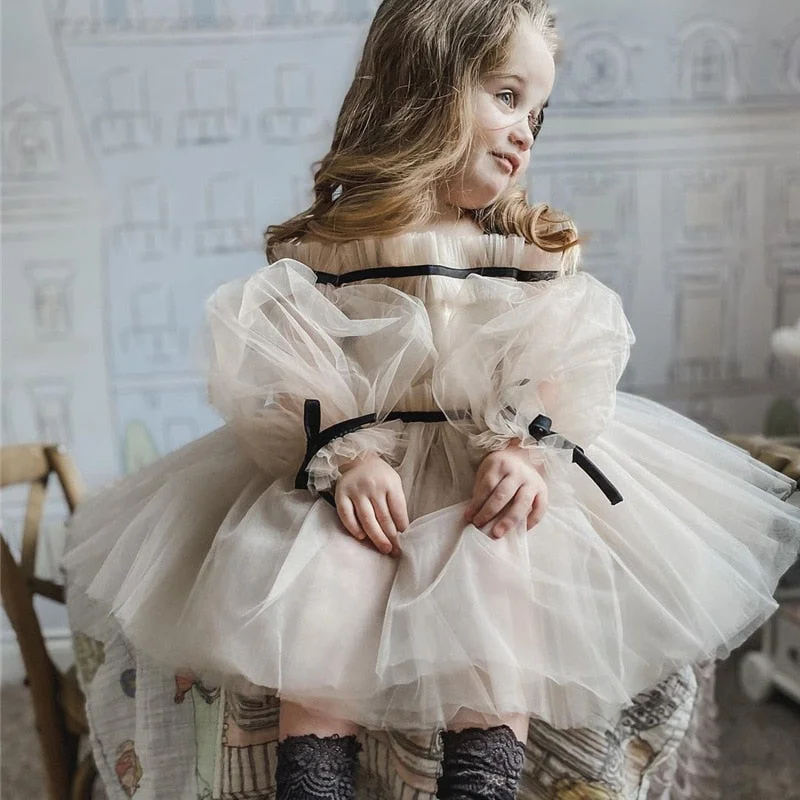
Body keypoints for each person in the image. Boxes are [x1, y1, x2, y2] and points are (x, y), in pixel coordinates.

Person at [63, 1, 800, 799]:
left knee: (497, 559)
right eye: (507, 97)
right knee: (324, 574)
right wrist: (346, 456)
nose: (525, 132)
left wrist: (525, 450)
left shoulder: (526, 250)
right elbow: (287, 364)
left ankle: (483, 780)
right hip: (363, 470)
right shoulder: (330, 248)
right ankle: (313, 782)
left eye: (537, 113)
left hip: (482, 465)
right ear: (425, 83)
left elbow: (558, 359)